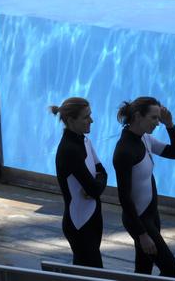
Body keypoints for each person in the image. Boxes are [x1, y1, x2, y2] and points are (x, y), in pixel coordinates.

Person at [112, 97, 175, 278]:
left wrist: (170, 125)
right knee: (171, 269)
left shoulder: (145, 139)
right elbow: (124, 197)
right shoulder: (124, 150)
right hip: (139, 221)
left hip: (152, 215)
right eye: (154, 118)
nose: (157, 123)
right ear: (138, 116)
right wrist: (142, 234)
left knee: (143, 270)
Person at [51, 97, 107, 268]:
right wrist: (96, 185)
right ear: (70, 120)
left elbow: (102, 172)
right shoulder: (69, 150)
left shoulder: (84, 140)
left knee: (88, 272)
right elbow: (95, 188)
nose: (91, 120)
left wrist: (97, 183)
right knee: (93, 273)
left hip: (93, 218)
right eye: (86, 117)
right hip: (79, 224)